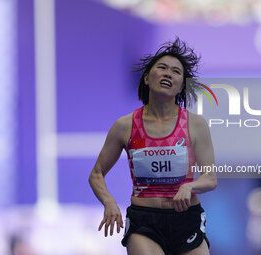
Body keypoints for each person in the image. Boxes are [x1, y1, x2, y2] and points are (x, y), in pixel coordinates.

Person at [89, 38, 217, 255]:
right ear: (147, 78)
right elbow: (96, 174)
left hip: (186, 220)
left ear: (182, 85)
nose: (168, 73)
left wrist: (189, 186)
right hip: (144, 222)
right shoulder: (125, 125)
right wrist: (109, 202)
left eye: (176, 71)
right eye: (162, 68)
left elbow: (211, 178)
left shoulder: (196, 124)